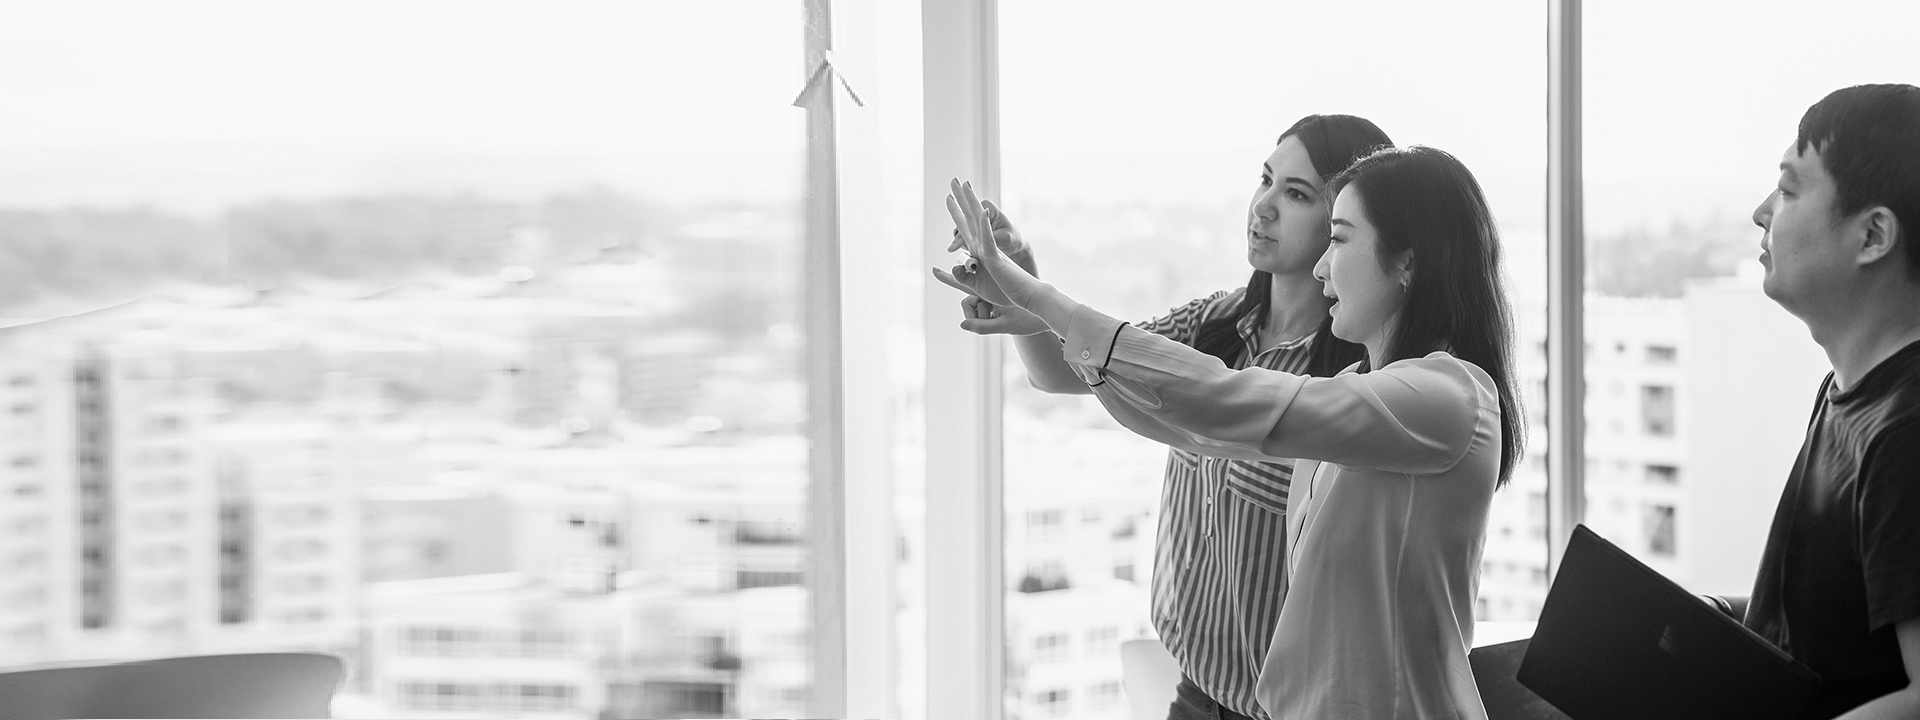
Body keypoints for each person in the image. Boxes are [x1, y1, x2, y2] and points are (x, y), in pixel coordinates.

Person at [943, 143, 1524, 719]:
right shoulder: (1270, 344)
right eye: (1265, 180)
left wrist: (1041, 297)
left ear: (1407, 261)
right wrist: (1038, 303)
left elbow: (1221, 401)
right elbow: (1190, 419)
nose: (1322, 262)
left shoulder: (1447, 397)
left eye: (1338, 236)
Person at [1739, 83, 1920, 720]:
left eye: (1789, 189)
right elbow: (1843, 643)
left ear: (1873, 235)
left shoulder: (1907, 431)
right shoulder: (1849, 390)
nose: (1762, 212)